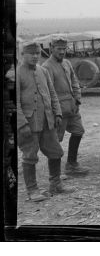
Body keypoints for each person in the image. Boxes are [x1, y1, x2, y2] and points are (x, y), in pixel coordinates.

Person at [16, 41, 74, 201]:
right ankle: (32, 190)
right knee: (30, 156)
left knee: (55, 152)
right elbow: (14, 103)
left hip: (48, 122)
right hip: (29, 124)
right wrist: (21, 124)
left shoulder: (43, 71)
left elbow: (52, 94)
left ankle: (56, 184)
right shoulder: (16, 74)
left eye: (37, 53)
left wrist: (57, 114)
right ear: (23, 54)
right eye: (31, 53)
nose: (35, 56)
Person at [42, 35, 89, 176]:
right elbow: (48, 91)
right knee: (56, 140)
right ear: (51, 49)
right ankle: (55, 174)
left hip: (72, 106)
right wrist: (55, 112)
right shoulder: (46, 67)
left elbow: (74, 81)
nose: (62, 52)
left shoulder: (67, 63)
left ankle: (72, 164)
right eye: (58, 49)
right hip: (59, 109)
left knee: (78, 131)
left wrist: (77, 99)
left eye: (64, 48)